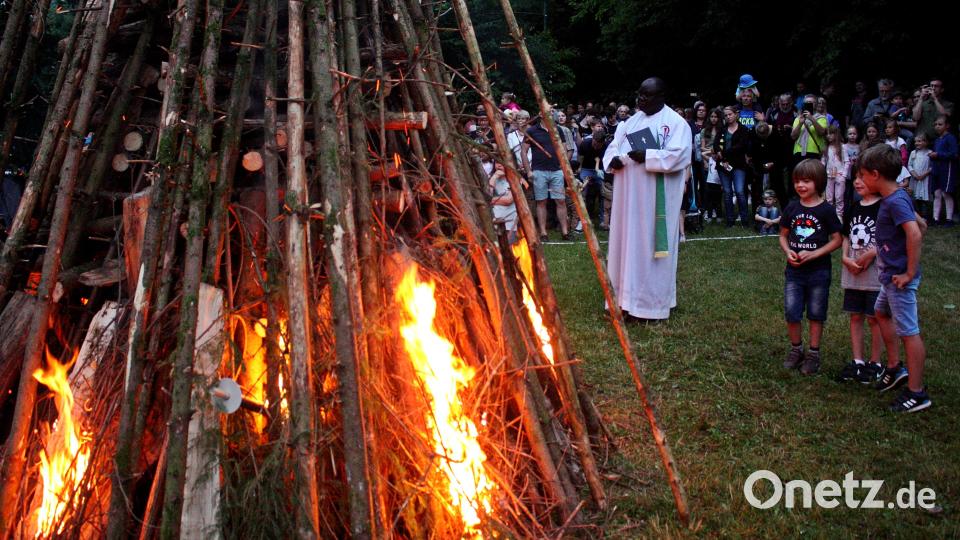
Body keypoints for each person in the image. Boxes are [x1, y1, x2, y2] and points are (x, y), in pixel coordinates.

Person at [602, 77, 691, 320]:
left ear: (661, 96)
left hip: (655, 200)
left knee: (649, 248)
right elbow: (613, 147)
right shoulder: (630, 122)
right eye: (639, 94)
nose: (641, 99)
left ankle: (651, 305)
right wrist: (614, 159)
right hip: (627, 198)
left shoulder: (676, 124)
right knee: (625, 245)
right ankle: (623, 300)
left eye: (647, 95)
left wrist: (649, 156)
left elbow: (680, 156)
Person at [858, 144, 930, 412]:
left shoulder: (895, 201)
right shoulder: (897, 197)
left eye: (863, 175)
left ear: (875, 175)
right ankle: (895, 367)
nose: (861, 180)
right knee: (879, 313)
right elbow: (918, 224)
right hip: (889, 277)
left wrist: (909, 273)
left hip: (899, 279)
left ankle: (917, 392)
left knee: (909, 332)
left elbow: (914, 234)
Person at [779, 158, 842, 375]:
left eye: (806, 181)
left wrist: (815, 253)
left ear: (819, 182)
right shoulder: (792, 208)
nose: (800, 186)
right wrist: (788, 252)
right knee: (792, 311)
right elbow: (783, 235)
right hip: (794, 272)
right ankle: (796, 350)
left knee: (816, 312)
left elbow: (837, 239)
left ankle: (813, 353)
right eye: (797, 181)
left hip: (819, 272)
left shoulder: (826, 210)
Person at [836, 173, 885, 384]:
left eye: (863, 177)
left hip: (874, 272)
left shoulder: (884, 207)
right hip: (853, 270)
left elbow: (889, 238)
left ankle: (875, 362)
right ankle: (857, 361)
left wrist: (871, 254)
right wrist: (845, 257)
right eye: (856, 177)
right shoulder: (854, 206)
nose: (857, 181)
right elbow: (846, 235)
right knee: (855, 316)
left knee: (875, 318)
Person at [522, 112, 570, 241]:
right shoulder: (532, 130)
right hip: (539, 171)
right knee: (541, 201)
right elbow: (523, 151)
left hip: (556, 171)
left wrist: (563, 167)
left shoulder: (557, 129)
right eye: (548, 112)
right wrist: (528, 171)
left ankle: (565, 232)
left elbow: (564, 149)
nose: (552, 114)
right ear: (541, 114)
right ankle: (543, 233)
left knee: (560, 200)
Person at [714, 106, 750, 226]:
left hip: (738, 165)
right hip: (723, 165)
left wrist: (723, 153)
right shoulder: (722, 129)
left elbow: (741, 147)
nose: (728, 117)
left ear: (736, 114)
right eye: (726, 115)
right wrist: (720, 155)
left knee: (740, 191)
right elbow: (715, 144)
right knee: (728, 193)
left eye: (730, 114)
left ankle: (744, 220)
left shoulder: (743, 130)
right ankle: (730, 220)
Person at [578, 120, 610, 229]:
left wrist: (603, 172)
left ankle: (603, 220)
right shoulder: (585, 144)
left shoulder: (607, 146)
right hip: (586, 168)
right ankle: (582, 220)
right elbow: (581, 157)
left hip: (600, 170)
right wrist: (580, 168)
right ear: (593, 139)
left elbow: (607, 161)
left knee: (603, 194)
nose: (596, 147)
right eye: (595, 144)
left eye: (598, 145)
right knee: (583, 192)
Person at [929, 115, 957, 226]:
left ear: (947, 126)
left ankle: (949, 219)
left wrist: (938, 154)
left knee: (946, 193)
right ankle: (936, 218)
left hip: (947, 169)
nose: (937, 127)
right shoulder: (937, 140)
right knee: (937, 194)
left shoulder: (950, 138)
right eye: (935, 124)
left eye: (940, 124)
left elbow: (954, 154)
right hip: (937, 169)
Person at [790, 94, 827, 169]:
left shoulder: (822, 118)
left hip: (815, 152)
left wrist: (812, 119)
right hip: (799, 152)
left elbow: (822, 132)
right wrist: (800, 123)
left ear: (816, 104)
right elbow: (793, 136)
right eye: (806, 102)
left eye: (811, 102)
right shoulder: (798, 119)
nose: (808, 104)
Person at [823, 125, 848, 220]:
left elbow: (847, 161)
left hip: (840, 176)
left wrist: (844, 175)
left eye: (831, 133)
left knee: (839, 198)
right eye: (827, 134)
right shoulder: (826, 148)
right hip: (829, 176)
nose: (828, 136)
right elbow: (823, 162)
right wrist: (823, 173)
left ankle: (839, 217)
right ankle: (829, 216)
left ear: (836, 134)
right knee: (829, 198)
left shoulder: (842, 147)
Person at [487, 161, 517, 239]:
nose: (499, 165)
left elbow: (508, 200)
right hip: (493, 221)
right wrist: (494, 177)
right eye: (497, 162)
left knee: (509, 248)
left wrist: (491, 200)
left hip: (509, 222)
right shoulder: (491, 179)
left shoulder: (515, 179)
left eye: (502, 162)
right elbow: (487, 196)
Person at [908, 132, 932, 219]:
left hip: (925, 179)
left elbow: (931, 167)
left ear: (926, 142)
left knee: (924, 197)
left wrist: (924, 175)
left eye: (919, 141)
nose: (916, 143)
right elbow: (909, 165)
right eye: (915, 141)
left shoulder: (929, 153)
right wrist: (914, 174)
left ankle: (925, 216)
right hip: (915, 179)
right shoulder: (913, 153)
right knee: (915, 197)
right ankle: (917, 216)